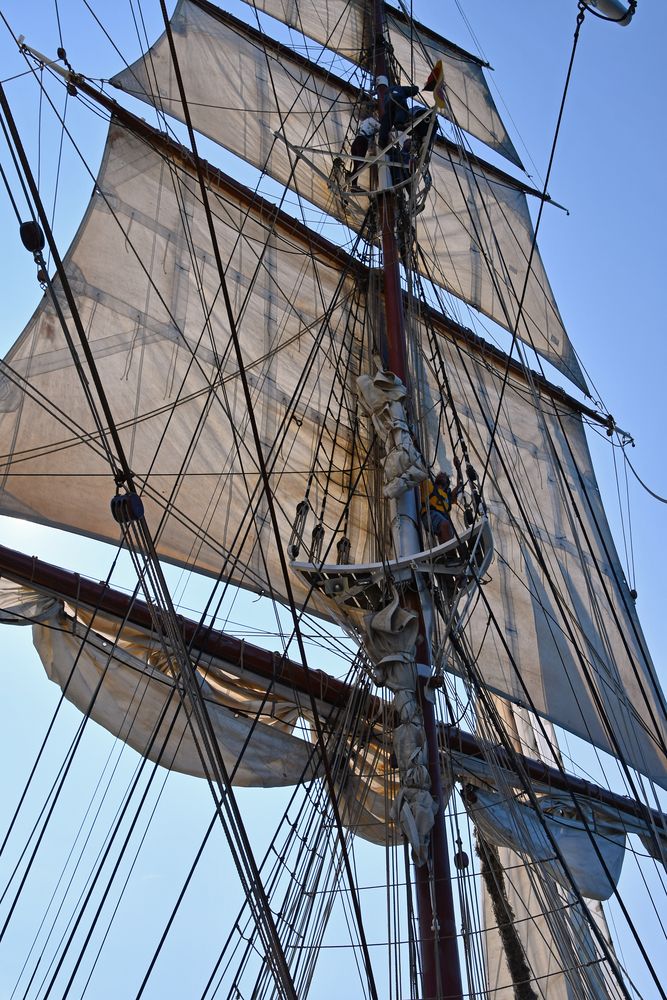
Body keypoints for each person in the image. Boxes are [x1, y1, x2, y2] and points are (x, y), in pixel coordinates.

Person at [421, 462, 462, 545]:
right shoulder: (428, 485)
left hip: (442, 518)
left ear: (447, 484)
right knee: (445, 524)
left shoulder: (448, 496)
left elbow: (459, 485)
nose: (441, 475)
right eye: (440, 475)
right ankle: (451, 556)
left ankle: (446, 555)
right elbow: (419, 472)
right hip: (429, 514)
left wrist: (458, 468)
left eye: (444, 476)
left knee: (449, 531)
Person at [348, 105, 380, 189]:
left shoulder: (363, 122)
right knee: (360, 164)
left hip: (356, 143)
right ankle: (352, 176)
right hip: (362, 142)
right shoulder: (371, 120)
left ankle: (353, 185)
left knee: (356, 166)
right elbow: (382, 128)